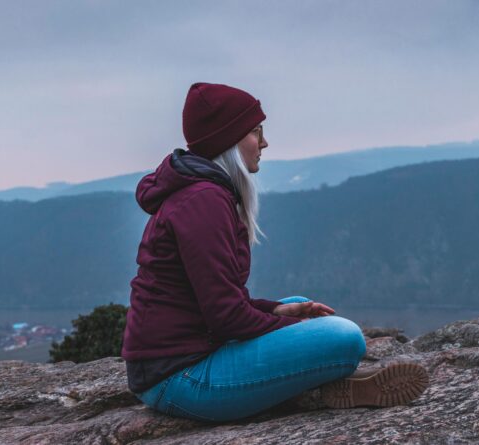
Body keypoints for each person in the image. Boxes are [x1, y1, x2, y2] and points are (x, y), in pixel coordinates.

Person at [121, 82, 428, 422]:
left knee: (300, 307)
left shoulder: (204, 194)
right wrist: (290, 329)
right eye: (255, 132)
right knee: (344, 337)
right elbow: (225, 315)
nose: (264, 142)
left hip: (183, 359)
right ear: (229, 140)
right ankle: (317, 385)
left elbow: (217, 302)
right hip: (180, 379)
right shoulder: (203, 202)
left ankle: (311, 386)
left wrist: (278, 310)